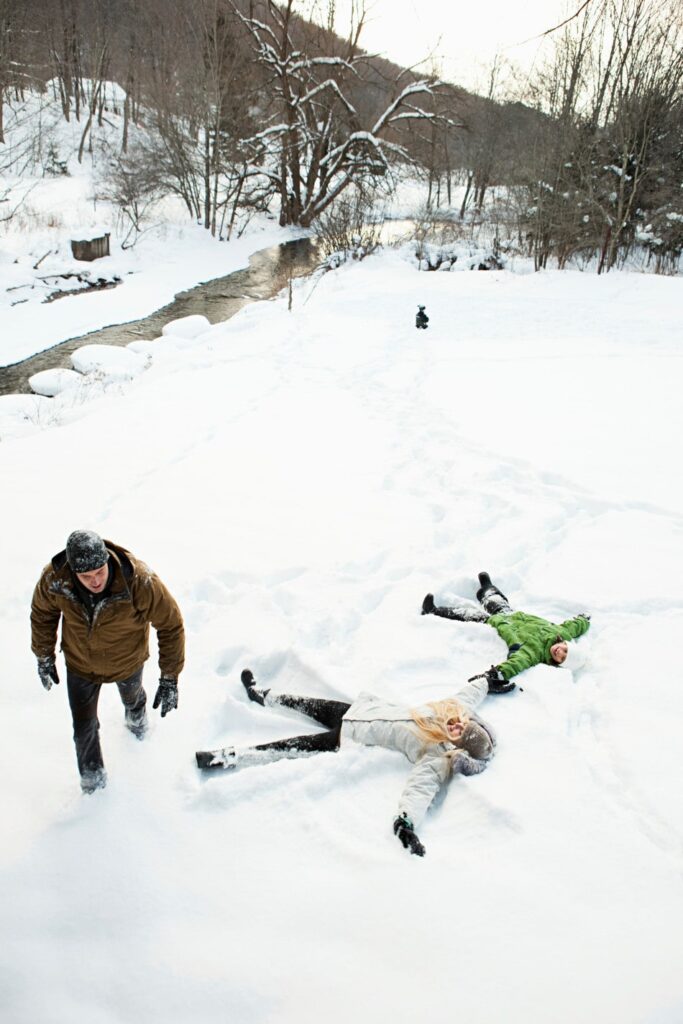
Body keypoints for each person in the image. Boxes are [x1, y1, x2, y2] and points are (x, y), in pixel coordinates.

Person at [196, 668, 497, 857]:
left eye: (460, 736)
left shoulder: (435, 754)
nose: (456, 728)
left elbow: (422, 787)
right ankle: (260, 695)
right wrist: (488, 678)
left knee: (285, 748)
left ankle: (228, 757)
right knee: (299, 702)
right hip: (357, 710)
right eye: (461, 725)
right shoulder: (451, 709)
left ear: (457, 746)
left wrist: (406, 822)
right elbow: (471, 693)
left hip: (349, 736)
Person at [31, 530, 185, 793]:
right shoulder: (57, 579)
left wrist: (169, 677)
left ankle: (137, 720)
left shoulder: (139, 581)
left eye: (100, 572)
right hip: (80, 664)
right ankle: (93, 784)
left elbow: (171, 625)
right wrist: (43, 655)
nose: (95, 581)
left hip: (127, 661)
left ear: (106, 561)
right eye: (86, 577)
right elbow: (42, 614)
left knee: (133, 696)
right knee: (83, 726)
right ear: (73, 571)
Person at [421, 571, 591, 693]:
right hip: (510, 614)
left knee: (468, 615)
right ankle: (486, 586)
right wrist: (584, 619)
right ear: (566, 643)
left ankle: (433, 611)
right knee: (495, 600)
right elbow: (575, 626)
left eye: (561, 658)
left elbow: (516, 663)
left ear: (557, 664)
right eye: (565, 650)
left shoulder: (534, 654)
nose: (559, 652)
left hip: (495, 624)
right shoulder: (562, 631)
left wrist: (494, 675)